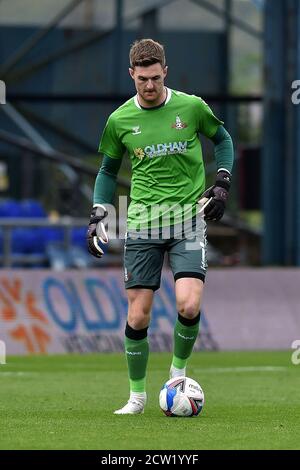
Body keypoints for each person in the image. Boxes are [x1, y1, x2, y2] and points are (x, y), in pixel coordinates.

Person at [87, 39, 234, 414]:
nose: (149, 86)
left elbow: (223, 140)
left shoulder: (191, 107)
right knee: (138, 315)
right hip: (143, 224)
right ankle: (136, 397)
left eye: (155, 78)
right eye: (142, 80)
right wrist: (99, 213)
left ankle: (177, 373)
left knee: (189, 304)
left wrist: (221, 182)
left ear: (165, 72)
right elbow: (106, 171)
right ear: (132, 75)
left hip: (187, 219)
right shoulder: (120, 120)